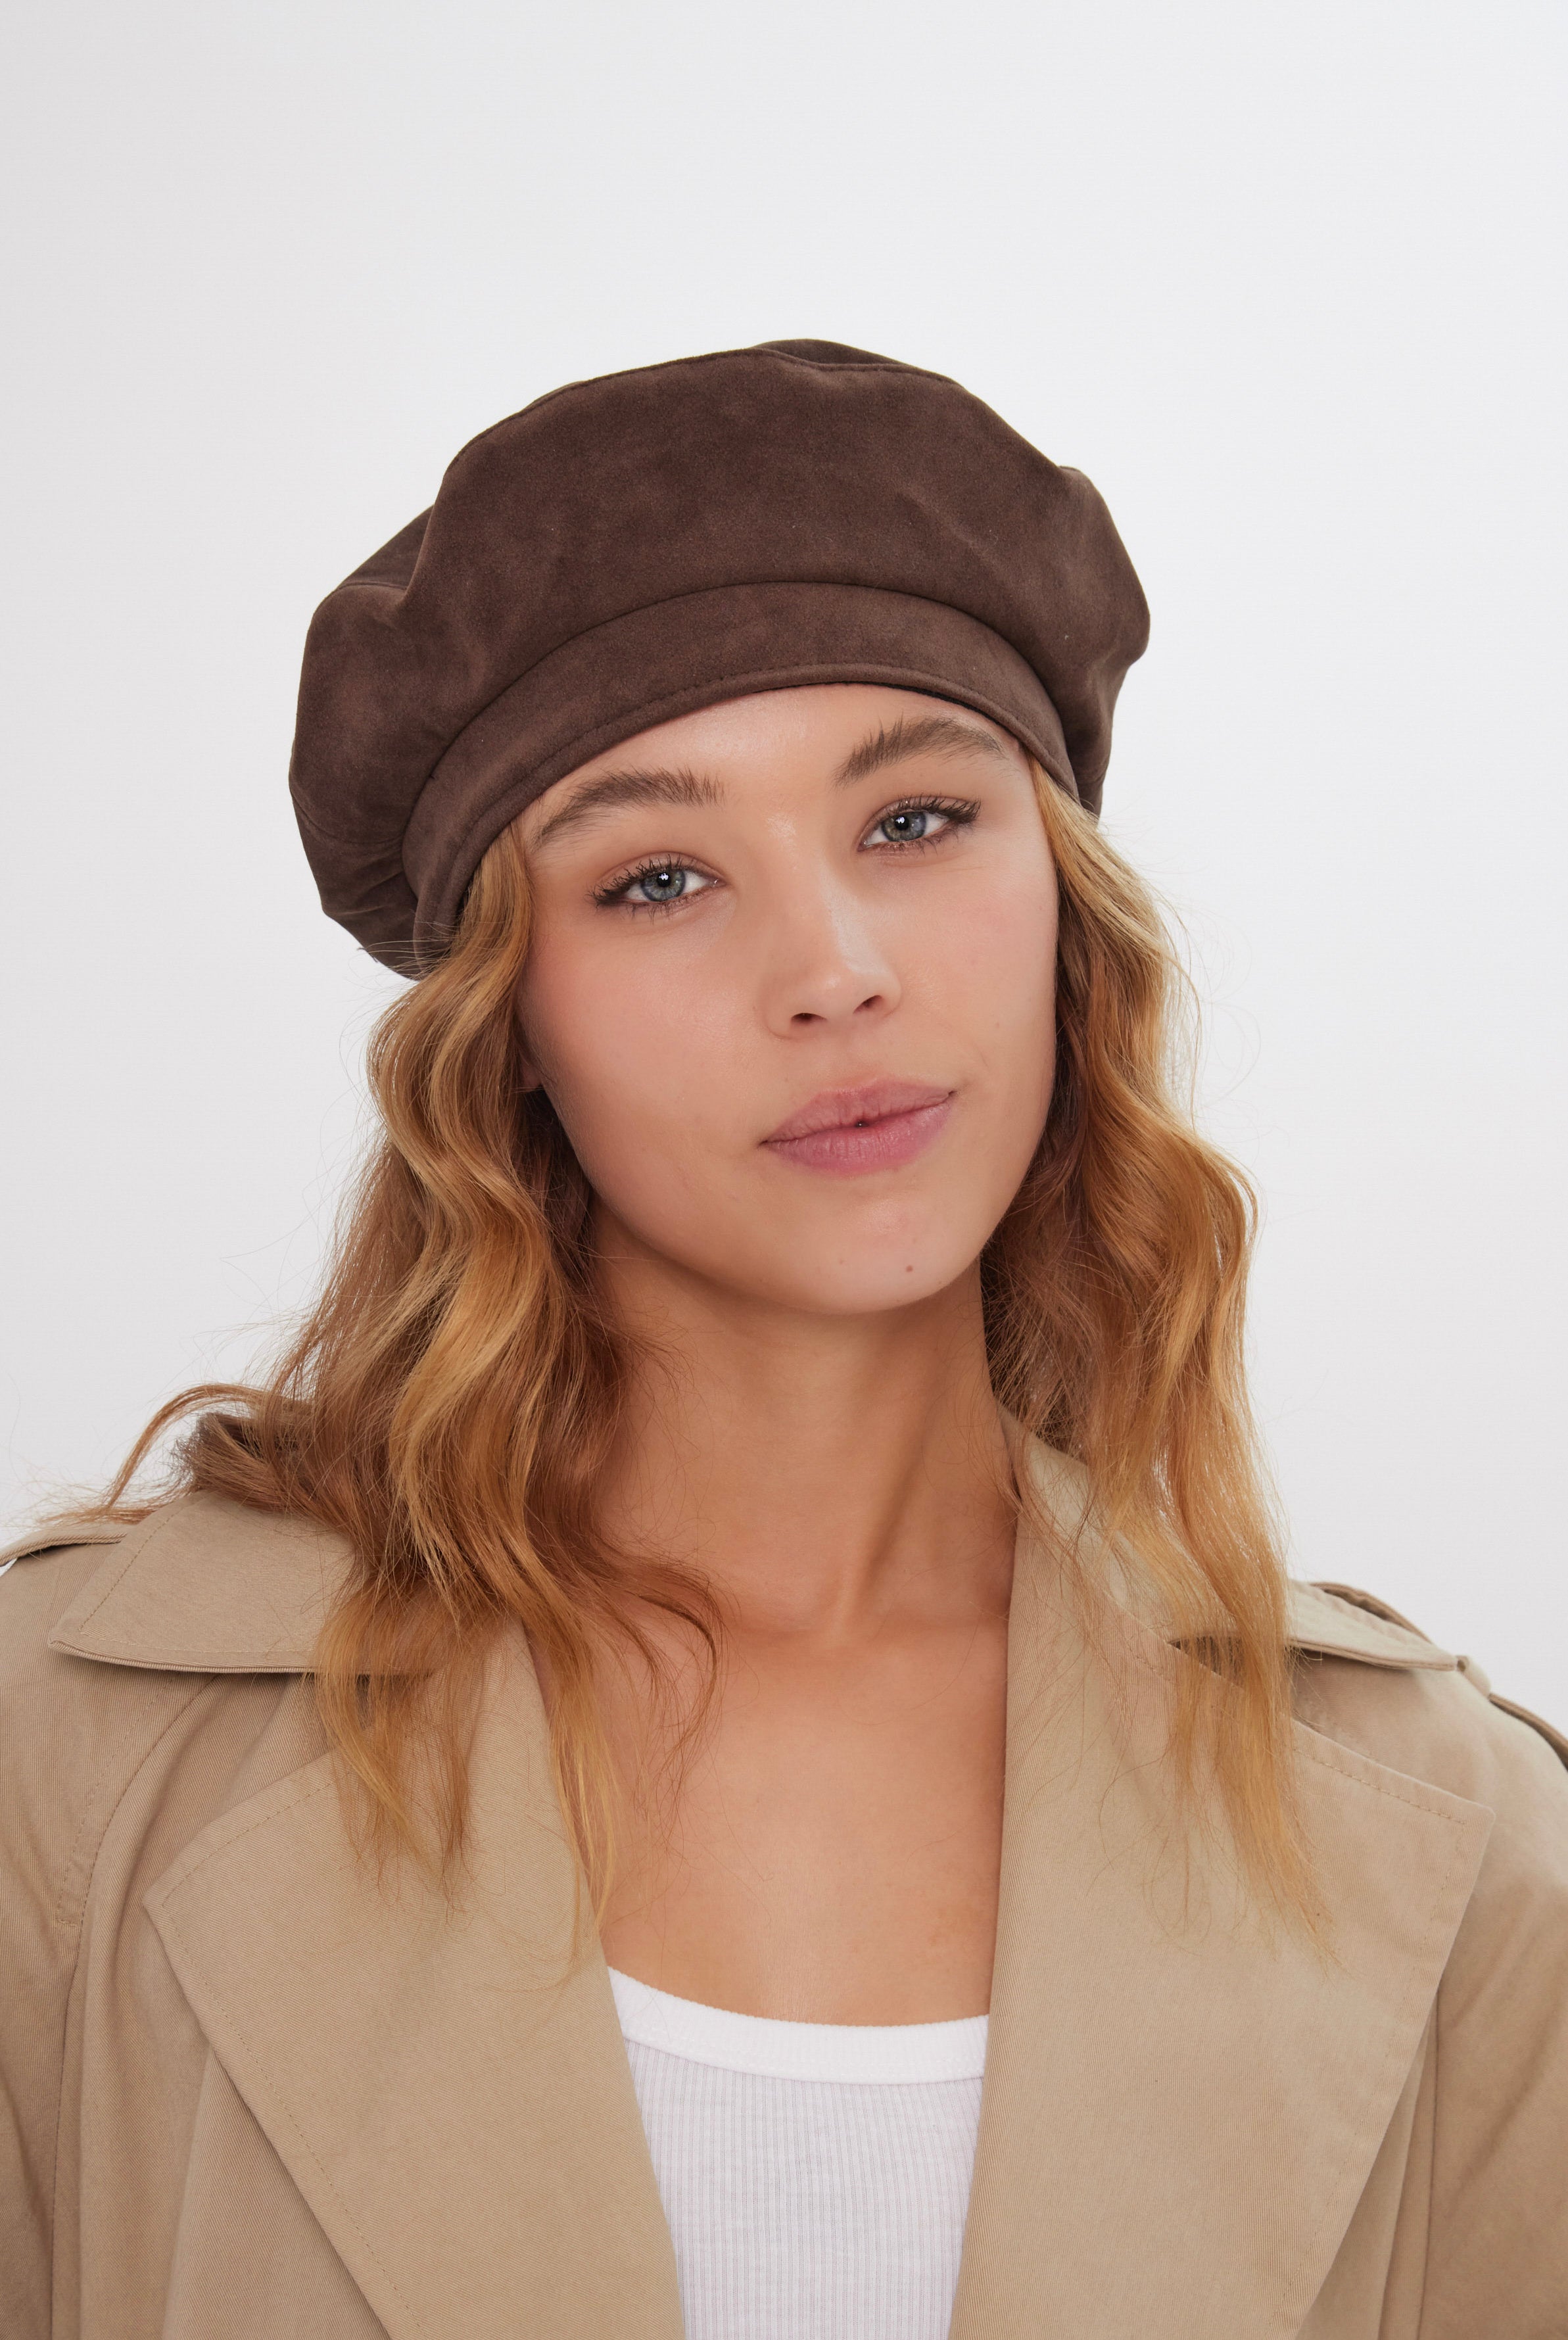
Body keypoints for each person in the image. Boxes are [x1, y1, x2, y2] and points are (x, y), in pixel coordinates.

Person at [3, 340, 1565, 2340]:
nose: (831, 970)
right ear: (515, 1030)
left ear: (1065, 914)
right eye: (658, 878)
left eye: (915, 822)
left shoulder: (1463, 1841)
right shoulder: (67, 1754)